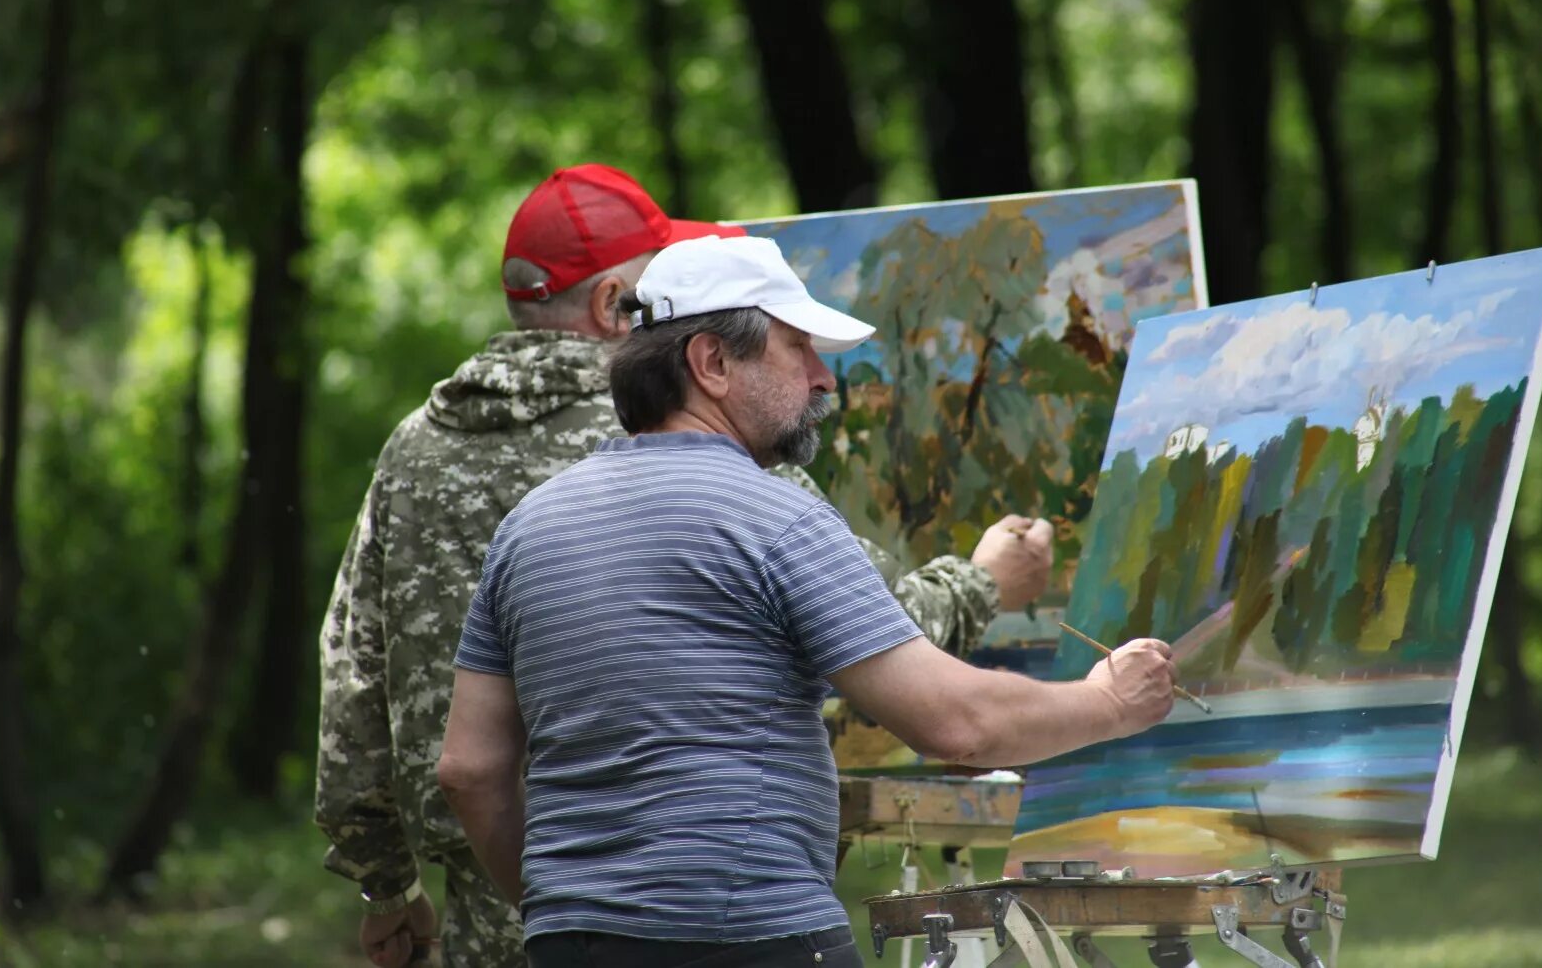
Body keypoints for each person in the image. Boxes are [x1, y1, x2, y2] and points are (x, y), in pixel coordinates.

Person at [314, 164, 1053, 967]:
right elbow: (874, 629)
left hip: (519, 892)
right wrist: (984, 580)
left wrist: (386, 886)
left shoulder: (414, 447)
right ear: (611, 308)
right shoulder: (695, 431)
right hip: (706, 898)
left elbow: (354, 677)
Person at [438, 234, 1176, 967]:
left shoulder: (527, 528)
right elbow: (957, 723)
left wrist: (556, 911)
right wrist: (1109, 702)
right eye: (798, 348)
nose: (825, 378)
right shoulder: (775, 518)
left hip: (570, 941)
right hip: (753, 934)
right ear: (712, 363)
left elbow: (469, 768)